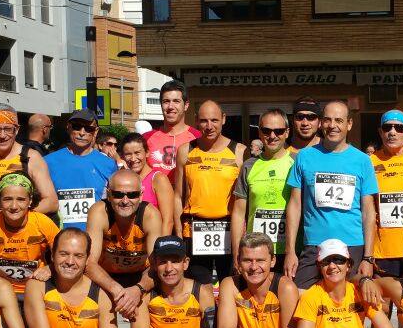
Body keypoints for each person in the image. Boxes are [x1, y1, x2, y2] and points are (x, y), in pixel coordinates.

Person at [283, 100, 379, 288]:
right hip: (314, 245)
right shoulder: (304, 156)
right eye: (327, 120)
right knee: (301, 299)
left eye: (338, 120)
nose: (332, 126)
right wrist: (290, 251)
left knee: (350, 306)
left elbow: (368, 211)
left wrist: (368, 256)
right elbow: (294, 206)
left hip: (352, 245)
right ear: (320, 123)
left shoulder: (362, 161)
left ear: (349, 124)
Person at [177, 100, 245, 284]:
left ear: (223, 119)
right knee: (199, 287)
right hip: (194, 228)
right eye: (204, 121)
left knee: (230, 284)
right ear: (196, 121)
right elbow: (178, 195)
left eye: (214, 120)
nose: (209, 126)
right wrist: (177, 230)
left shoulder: (239, 151)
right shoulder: (185, 151)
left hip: (229, 228)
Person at [86, 168, 163, 321]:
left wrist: (138, 289)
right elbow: (89, 263)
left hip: (141, 276)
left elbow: (157, 265)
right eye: (118, 194)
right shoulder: (99, 212)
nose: (125, 201)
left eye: (132, 195)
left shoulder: (150, 215)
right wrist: (116, 290)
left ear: (141, 196)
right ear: (108, 194)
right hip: (106, 276)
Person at [368, 110, 403, 305]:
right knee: (381, 309)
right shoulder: (369, 162)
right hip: (382, 251)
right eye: (387, 127)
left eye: (398, 128)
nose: (392, 132)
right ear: (380, 131)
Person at [0, 172, 59, 297]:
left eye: (21, 199)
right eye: (7, 199)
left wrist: (50, 268)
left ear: (30, 201)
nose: (14, 206)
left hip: (35, 287)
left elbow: (64, 252)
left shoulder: (43, 222)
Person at [0, 104, 57, 222]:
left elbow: (51, 202)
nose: (2, 135)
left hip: (18, 236)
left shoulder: (31, 157)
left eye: (8, 129)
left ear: (16, 130)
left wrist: (16, 212)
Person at [232, 108, 296, 269]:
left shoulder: (297, 162)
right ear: (260, 133)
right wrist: (236, 253)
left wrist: (293, 251)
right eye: (266, 130)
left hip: (290, 250)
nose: (272, 136)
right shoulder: (249, 166)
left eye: (279, 131)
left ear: (287, 132)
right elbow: (239, 213)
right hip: (256, 252)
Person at [44, 109, 117, 230]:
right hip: (57, 236)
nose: (82, 133)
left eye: (89, 129)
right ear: (68, 127)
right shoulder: (47, 162)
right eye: (77, 127)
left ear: (96, 132)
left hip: (95, 236)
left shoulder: (109, 164)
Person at [144, 80, 200, 181]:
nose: (170, 106)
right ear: (161, 105)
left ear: (186, 105)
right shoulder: (145, 138)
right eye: (166, 101)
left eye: (176, 101)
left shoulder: (198, 137)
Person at [121, 132, 175, 231]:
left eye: (137, 153)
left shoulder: (159, 179)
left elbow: (168, 222)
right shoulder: (122, 178)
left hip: (153, 242)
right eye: (128, 154)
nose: (133, 159)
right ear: (123, 156)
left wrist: (160, 246)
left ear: (147, 152)